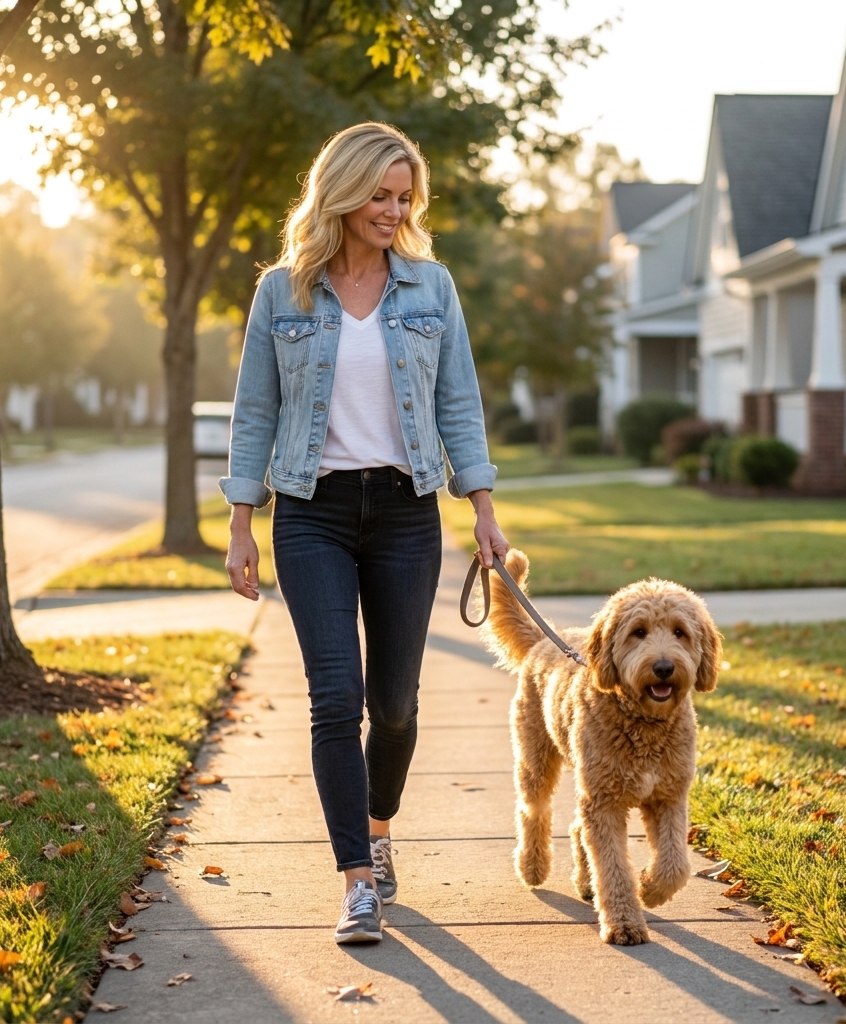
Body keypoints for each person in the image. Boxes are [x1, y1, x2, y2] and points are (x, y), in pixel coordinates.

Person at [221, 122, 509, 945]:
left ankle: (379, 829)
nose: (393, 210)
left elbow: (459, 401)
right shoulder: (283, 290)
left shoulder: (430, 288)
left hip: (406, 513)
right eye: (379, 195)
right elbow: (256, 411)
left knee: (396, 705)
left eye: (403, 196)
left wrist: (482, 507)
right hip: (310, 511)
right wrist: (242, 522)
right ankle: (355, 881)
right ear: (342, 193)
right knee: (335, 698)